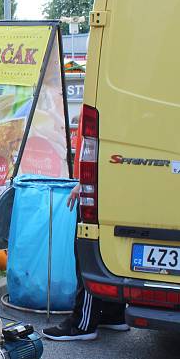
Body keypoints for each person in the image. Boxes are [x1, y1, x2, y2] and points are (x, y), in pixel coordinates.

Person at [42, 114, 128, 341]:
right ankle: (112, 313)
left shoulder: (101, 91)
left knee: (89, 254)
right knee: (105, 250)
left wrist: (86, 182)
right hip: (115, 181)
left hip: (101, 183)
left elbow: (105, 138)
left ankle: (83, 323)